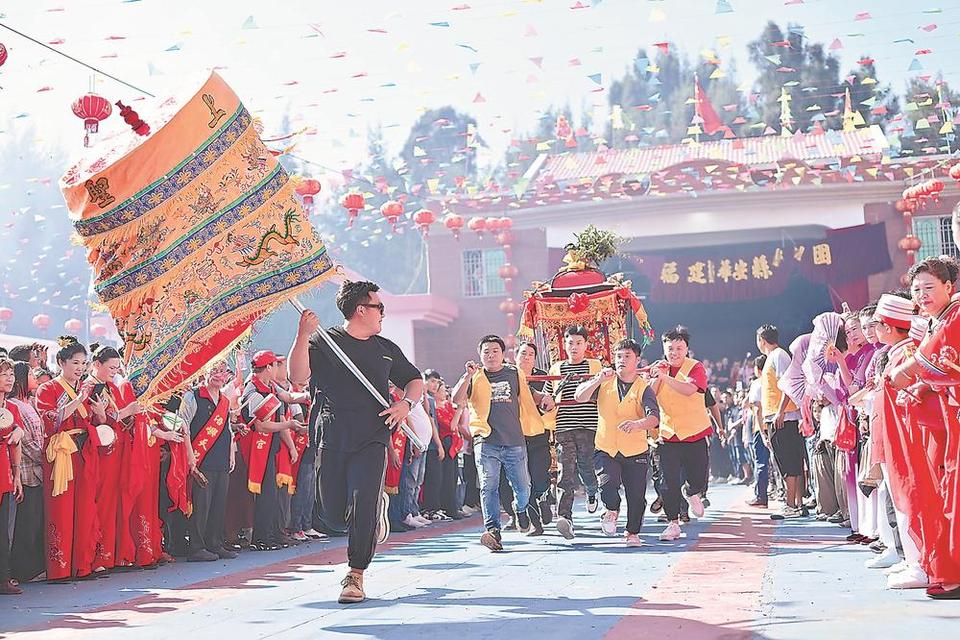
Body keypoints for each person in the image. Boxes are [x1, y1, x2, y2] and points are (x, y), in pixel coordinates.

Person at [288, 280, 423, 605]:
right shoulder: (326, 341)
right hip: (330, 435)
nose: (382, 315)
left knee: (363, 504)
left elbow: (414, 380)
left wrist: (405, 405)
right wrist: (303, 334)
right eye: (379, 308)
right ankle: (371, 515)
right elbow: (298, 376)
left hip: (372, 437)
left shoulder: (385, 349)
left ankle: (355, 573)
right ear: (361, 309)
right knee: (333, 514)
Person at [452, 334, 554, 552]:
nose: (490, 355)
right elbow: (456, 399)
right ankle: (493, 531)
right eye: (486, 351)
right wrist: (466, 377)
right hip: (486, 441)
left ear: (503, 354)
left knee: (523, 488)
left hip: (515, 441)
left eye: (495, 351)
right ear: (480, 354)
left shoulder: (513, 373)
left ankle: (520, 510)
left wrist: (544, 400)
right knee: (489, 486)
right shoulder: (475, 377)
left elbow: (529, 393)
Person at [574, 339, 659, 547]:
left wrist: (638, 424)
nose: (621, 360)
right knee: (607, 485)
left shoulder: (643, 388)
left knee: (637, 495)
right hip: (606, 446)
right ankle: (611, 510)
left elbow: (654, 418)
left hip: (635, 449)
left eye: (627, 356)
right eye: (618, 356)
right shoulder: (604, 382)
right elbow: (579, 396)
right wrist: (596, 380)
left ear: (637, 360)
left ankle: (632, 533)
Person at [35, 337, 107, 582]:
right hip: (61, 453)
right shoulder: (49, 388)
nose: (80, 368)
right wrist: (79, 400)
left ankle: (82, 564)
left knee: (86, 507)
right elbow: (50, 419)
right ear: (61, 362)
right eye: (75, 363)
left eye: (84, 364)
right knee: (61, 509)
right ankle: (60, 568)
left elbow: (95, 422)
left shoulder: (84, 389)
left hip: (83, 451)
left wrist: (100, 414)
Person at [649, 326, 712, 542]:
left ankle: (693, 491)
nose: (674, 352)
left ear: (686, 349)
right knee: (667, 481)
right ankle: (672, 523)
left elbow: (688, 390)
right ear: (664, 349)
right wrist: (658, 376)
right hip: (668, 435)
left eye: (679, 348)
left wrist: (665, 377)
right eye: (670, 348)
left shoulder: (696, 367)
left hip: (694, 432)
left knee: (699, 475)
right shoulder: (659, 369)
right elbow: (650, 394)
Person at [543, 325, 602, 540]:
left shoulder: (594, 366)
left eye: (579, 343)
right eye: (570, 343)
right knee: (565, 472)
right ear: (564, 344)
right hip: (565, 427)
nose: (574, 347)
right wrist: (545, 403)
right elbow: (548, 396)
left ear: (586, 345)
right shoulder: (556, 369)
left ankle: (592, 492)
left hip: (589, 426)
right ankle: (565, 517)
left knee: (587, 467)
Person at [179, 360, 238, 562]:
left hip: (221, 459)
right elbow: (183, 426)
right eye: (215, 371)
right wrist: (189, 457)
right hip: (200, 459)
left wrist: (231, 454)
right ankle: (196, 547)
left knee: (218, 504)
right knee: (201, 505)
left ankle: (215, 543)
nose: (219, 375)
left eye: (223, 371)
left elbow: (228, 430)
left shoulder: (224, 400)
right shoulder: (193, 396)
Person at [756, 325, 807, 519]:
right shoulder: (773, 357)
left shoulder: (778, 356)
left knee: (788, 461)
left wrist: (780, 412)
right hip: (778, 415)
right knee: (787, 460)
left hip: (783, 417)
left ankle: (791, 504)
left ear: (761, 340)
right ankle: (796, 503)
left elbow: (788, 384)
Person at [8, 361, 45, 584]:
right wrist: (46, 458)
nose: (34, 375)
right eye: (30, 373)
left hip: (37, 470)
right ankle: (24, 569)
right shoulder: (14, 405)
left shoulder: (28, 403)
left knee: (34, 520)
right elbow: (27, 441)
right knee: (26, 522)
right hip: (27, 470)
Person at [0, 357, 24, 595]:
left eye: (12, 375)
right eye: (4, 374)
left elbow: (15, 445)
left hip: (4, 471)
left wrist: (16, 476)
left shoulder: (13, 407)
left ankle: (3, 577)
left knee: (3, 528)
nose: (9, 379)